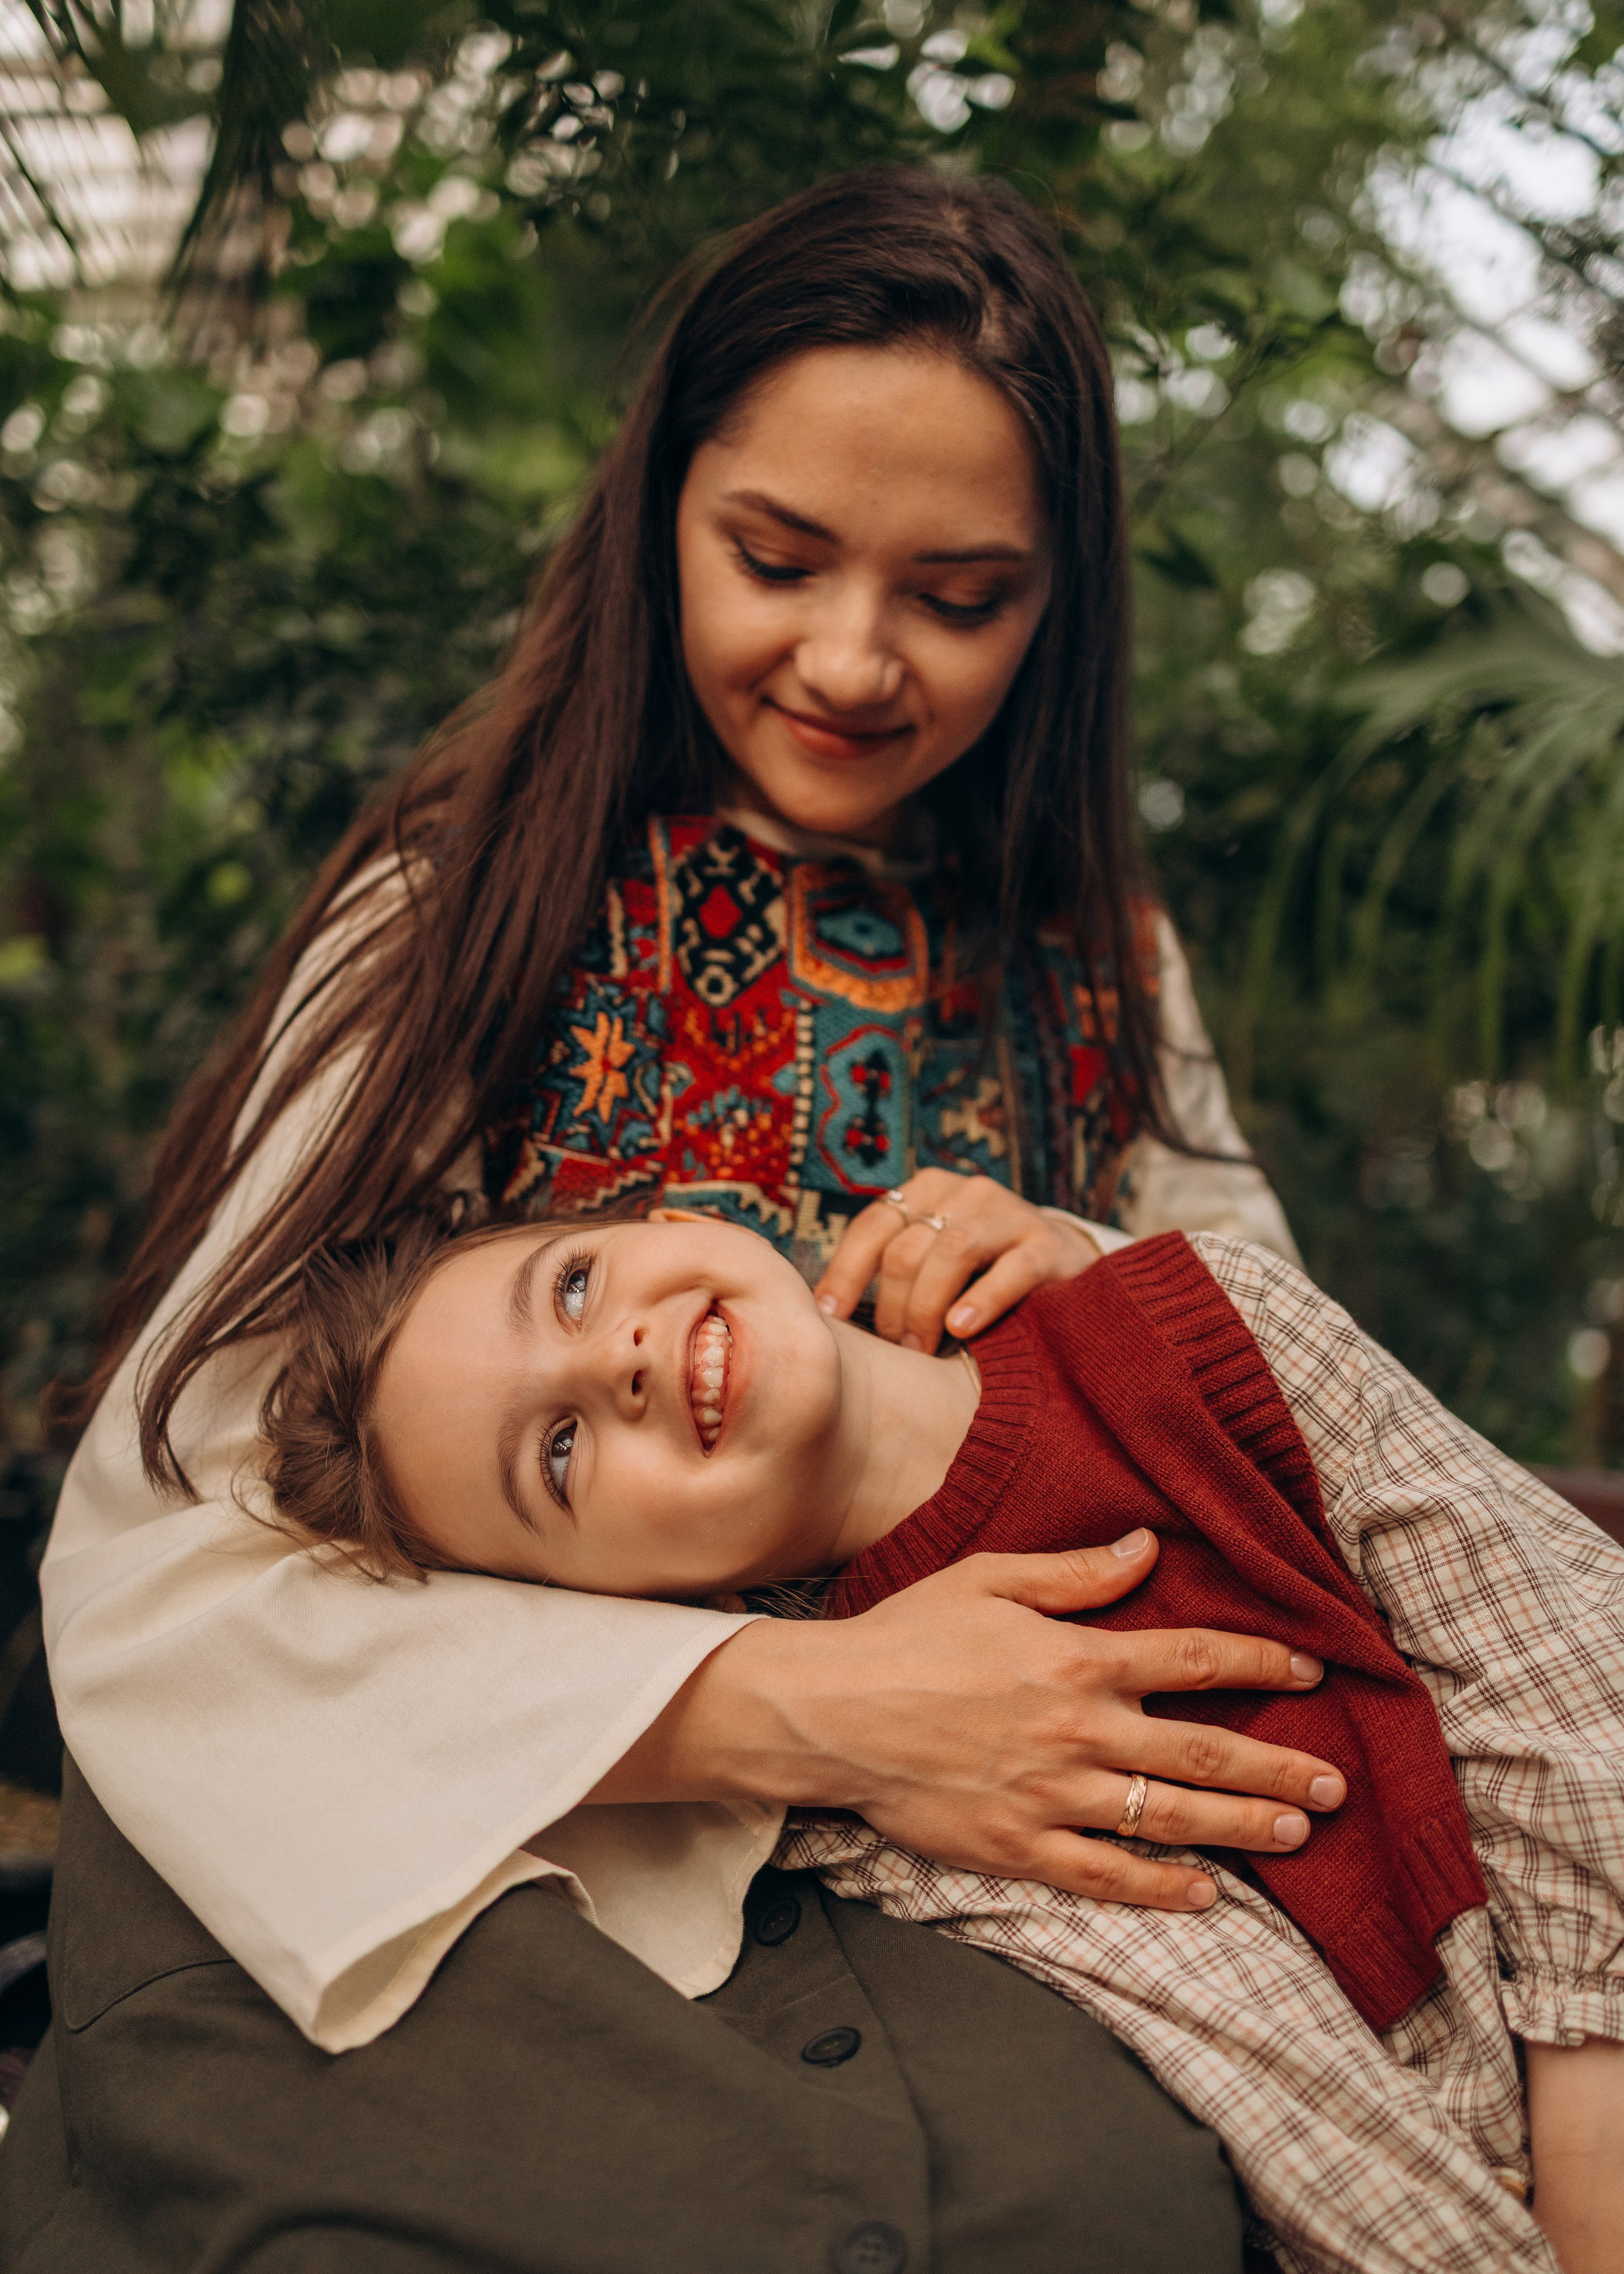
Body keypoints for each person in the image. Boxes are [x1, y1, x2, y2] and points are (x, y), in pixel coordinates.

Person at [8, 169, 1353, 2271]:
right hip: (482, 1813)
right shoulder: (468, 911)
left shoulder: (1104, 971)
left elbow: (1293, 1378)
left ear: (1062, 602)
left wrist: (1111, 1278)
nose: (851, 657)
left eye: (963, 594)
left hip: (979, 1866)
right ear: (659, 513)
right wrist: (803, 1707)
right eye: (776, 555)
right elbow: (173, 1549)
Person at [256, 1207, 1624, 2274]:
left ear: (669, 1225)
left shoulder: (1201, 1317)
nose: (608, 1359)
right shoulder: (871, 1782)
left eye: (569, 1286)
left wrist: (1583, 2149)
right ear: (612, 1608)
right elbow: (1245, 2049)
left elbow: (1562, 1693)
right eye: (554, 1455)